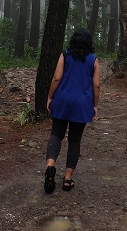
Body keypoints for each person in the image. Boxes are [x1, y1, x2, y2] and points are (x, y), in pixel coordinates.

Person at [43, 27, 100, 194]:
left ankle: (50, 166)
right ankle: (67, 180)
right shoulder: (93, 60)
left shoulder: (65, 56)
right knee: (75, 140)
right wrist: (94, 105)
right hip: (82, 104)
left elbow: (56, 78)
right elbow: (96, 86)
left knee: (56, 134)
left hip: (62, 100)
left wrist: (50, 96)